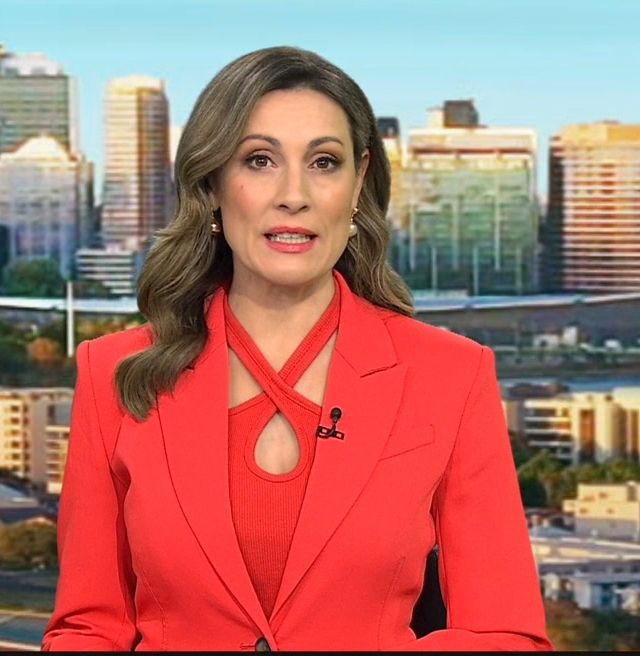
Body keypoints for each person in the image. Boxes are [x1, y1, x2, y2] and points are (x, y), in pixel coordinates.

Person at [42, 46, 553, 652]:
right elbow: (88, 629)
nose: (293, 194)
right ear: (213, 183)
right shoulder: (115, 373)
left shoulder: (451, 375)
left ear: (358, 182)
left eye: (323, 162)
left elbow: (504, 633)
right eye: (259, 160)